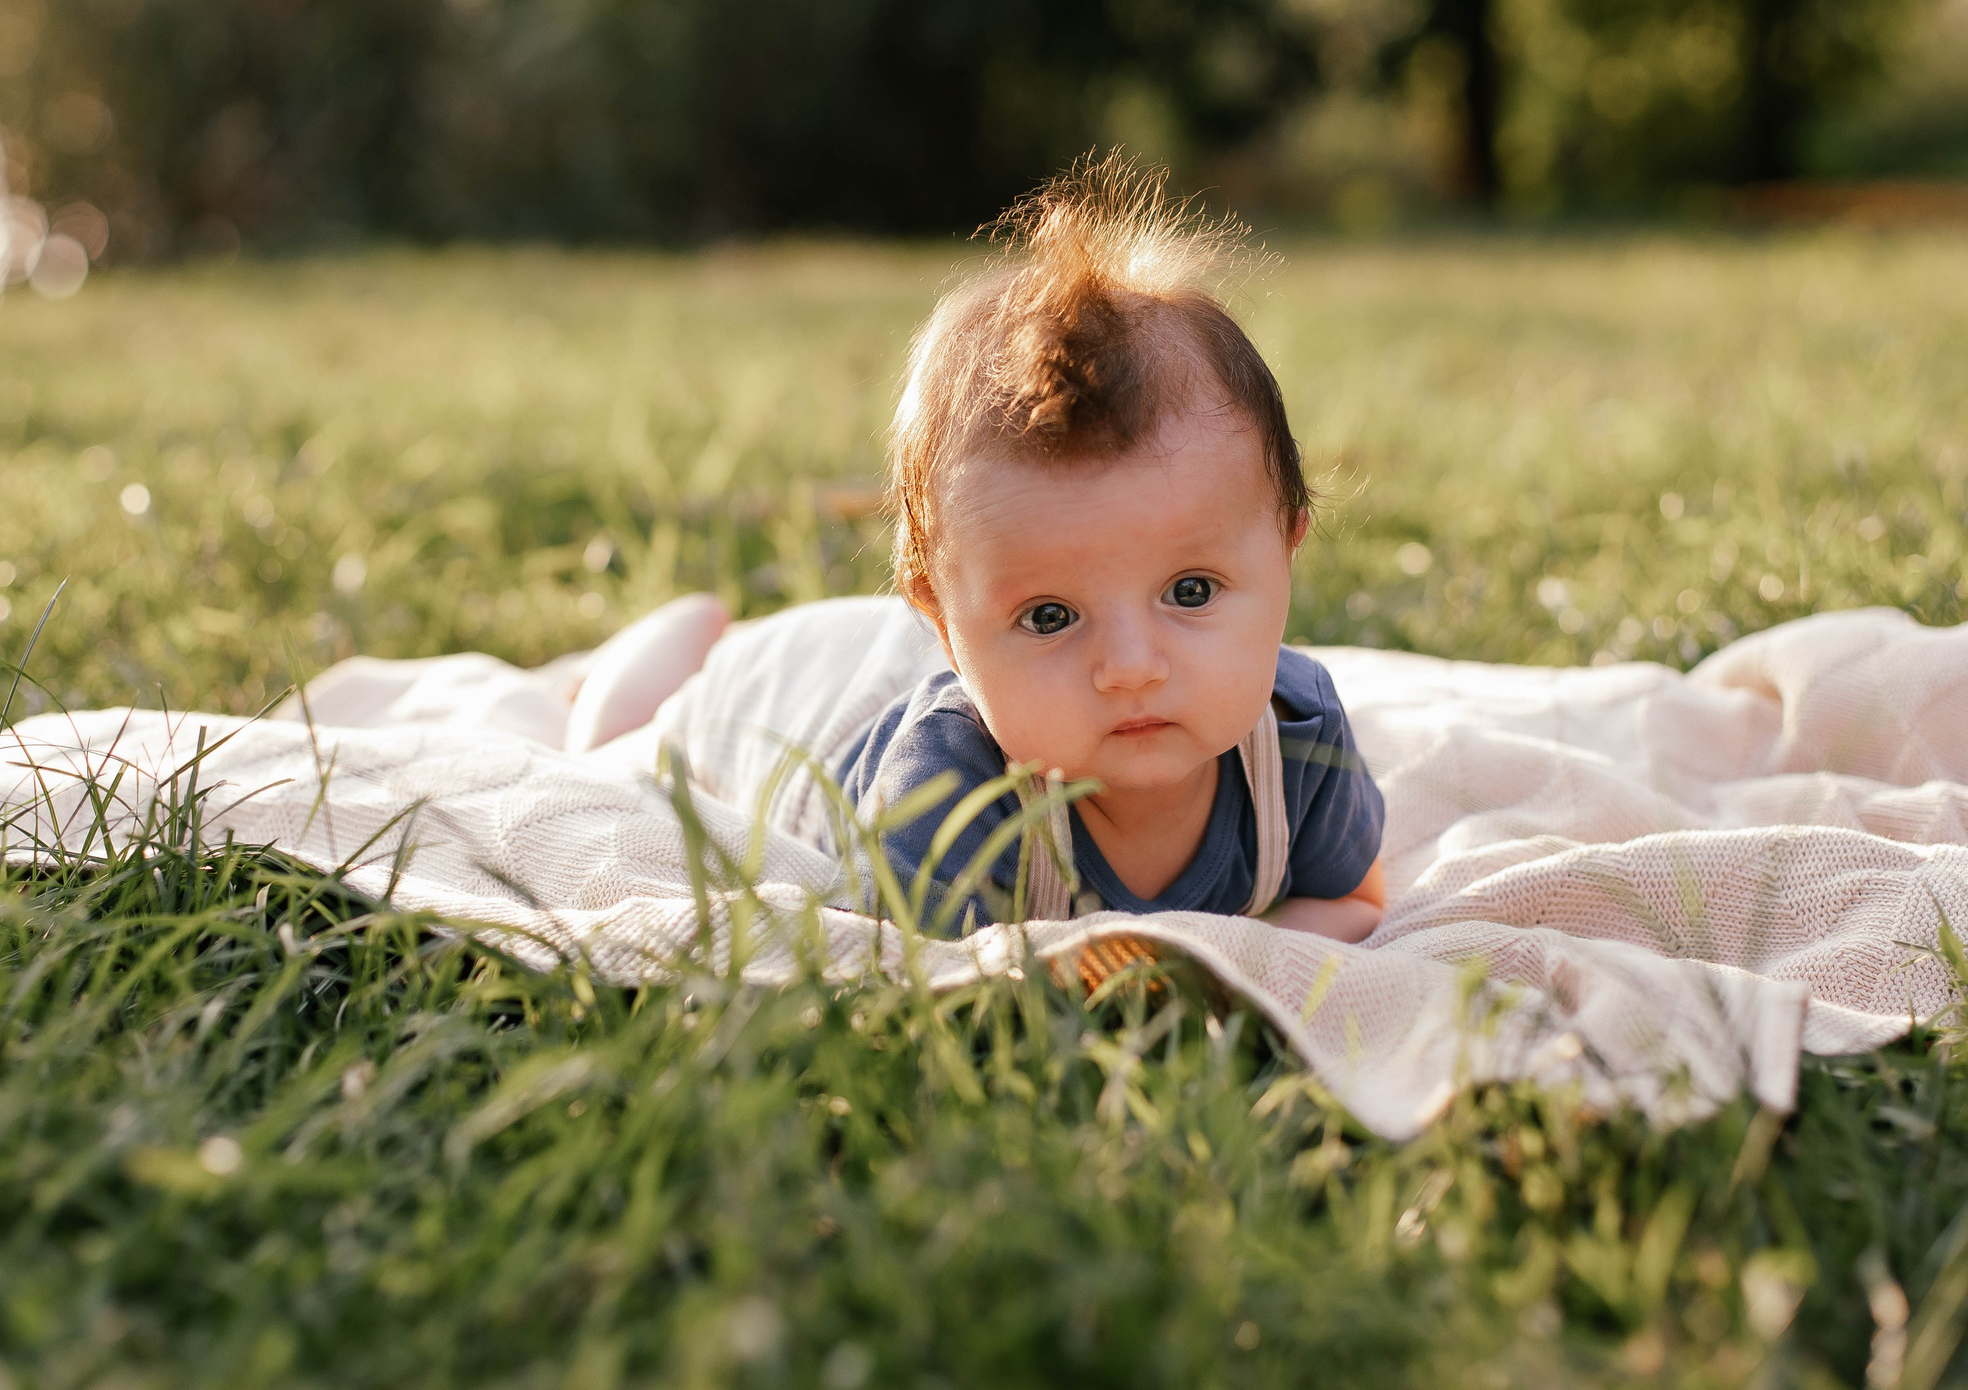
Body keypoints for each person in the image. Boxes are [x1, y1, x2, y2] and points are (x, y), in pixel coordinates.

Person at [569, 153, 1386, 941]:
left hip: (916, 659)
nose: (1132, 666)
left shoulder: (1299, 739)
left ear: (1285, 551)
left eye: (1191, 592)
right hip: (794, 703)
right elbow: (918, 975)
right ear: (940, 618)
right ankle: (682, 637)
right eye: (1051, 615)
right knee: (612, 751)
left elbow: (1352, 895)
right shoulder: (943, 794)